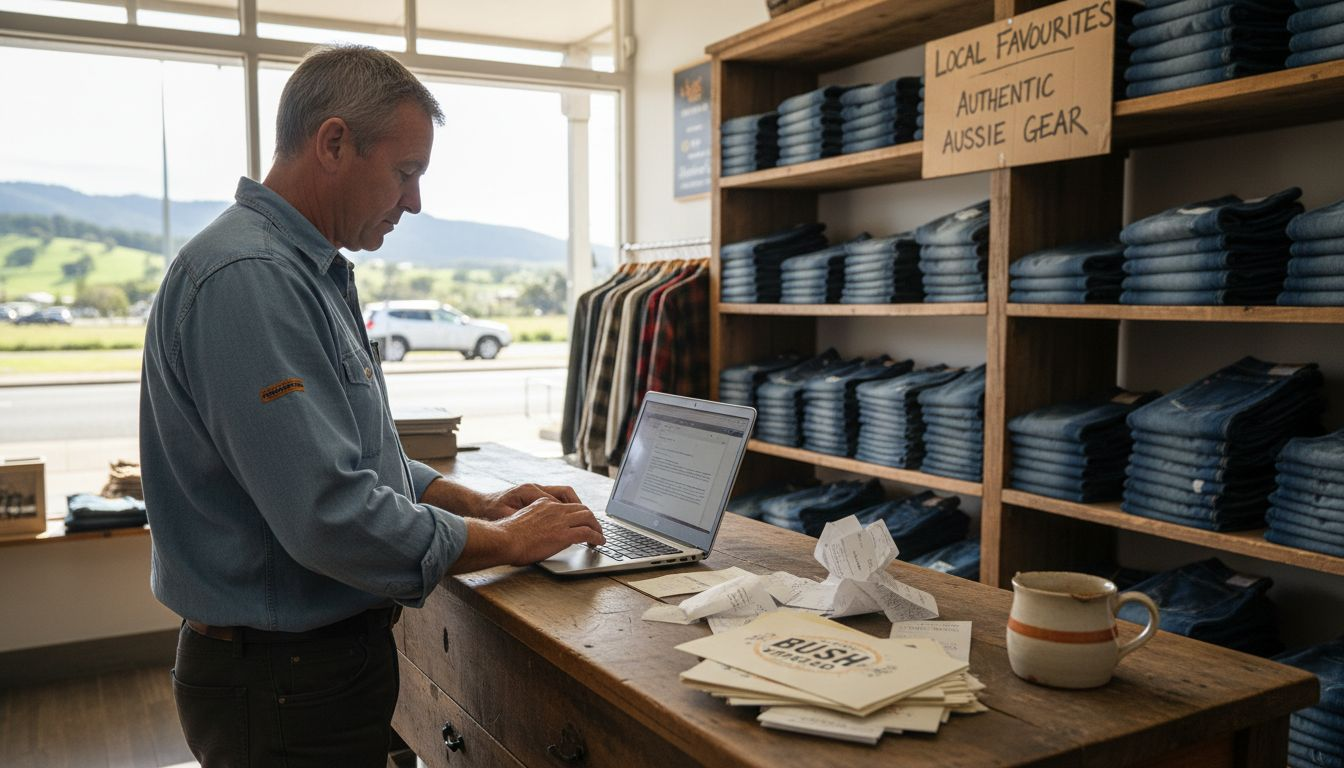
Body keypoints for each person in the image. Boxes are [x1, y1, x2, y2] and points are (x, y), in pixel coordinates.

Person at [139, 44, 604, 767]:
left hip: (307, 672)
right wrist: (510, 543)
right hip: (283, 683)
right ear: (333, 143)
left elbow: (354, 453)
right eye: (406, 171)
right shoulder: (251, 278)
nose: (414, 201)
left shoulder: (306, 270)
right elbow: (329, 514)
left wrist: (474, 505)